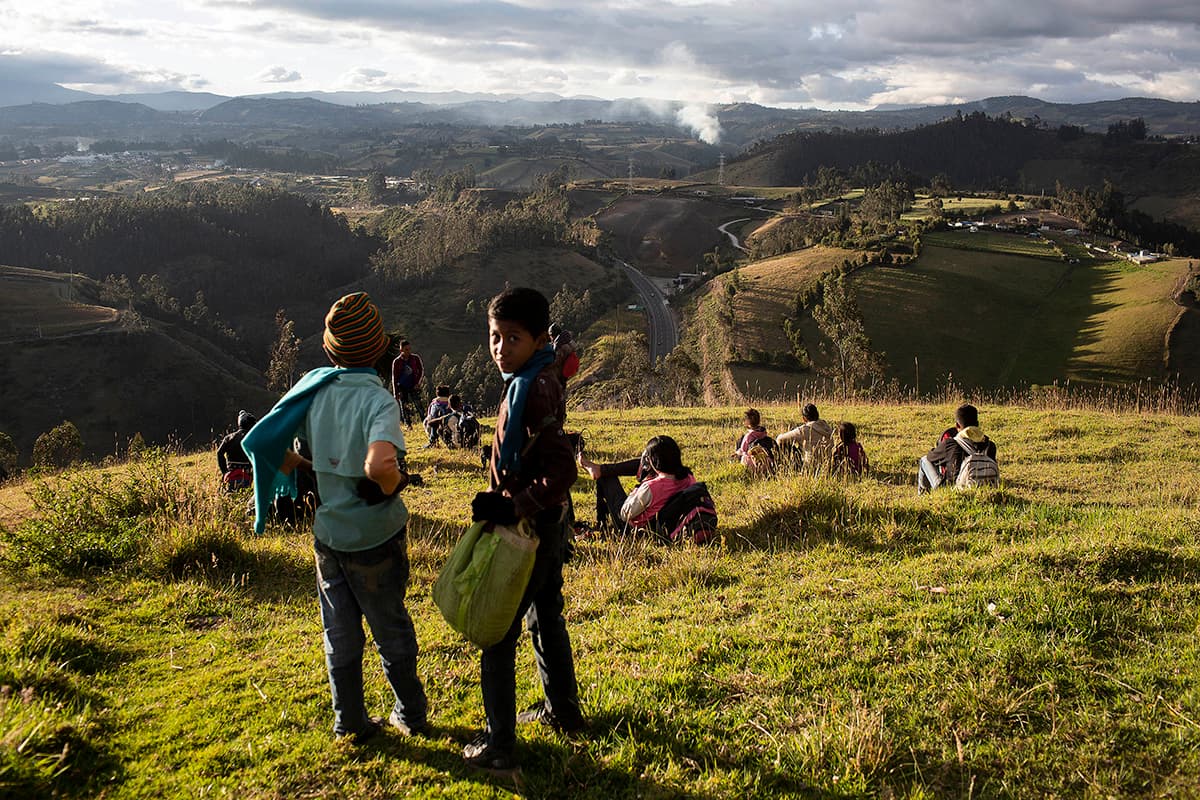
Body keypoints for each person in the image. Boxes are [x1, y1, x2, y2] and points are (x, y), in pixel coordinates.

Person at [242, 292, 427, 742]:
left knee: (339, 631)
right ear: (380, 348)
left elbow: (266, 444)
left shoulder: (315, 390)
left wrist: (307, 468)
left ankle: (349, 721)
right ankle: (410, 712)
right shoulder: (379, 400)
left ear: (331, 349)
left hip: (328, 536)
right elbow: (380, 465)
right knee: (390, 626)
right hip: (375, 535)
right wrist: (393, 483)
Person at [464, 287, 585, 772]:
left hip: (531, 527)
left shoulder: (533, 389)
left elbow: (562, 472)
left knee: (498, 631)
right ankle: (563, 711)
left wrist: (511, 506)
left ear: (538, 340)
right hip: (548, 525)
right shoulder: (537, 375)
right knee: (545, 615)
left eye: (512, 338)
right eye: (495, 337)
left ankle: (499, 744)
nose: (500, 349)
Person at [917, 403, 997, 493]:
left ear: (957, 426)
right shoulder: (990, 445)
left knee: (924, 460)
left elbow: (930, 457)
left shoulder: (951, 443)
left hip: (953, 491)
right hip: (984, 491)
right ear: (977, 424)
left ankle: (924, 497)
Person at [775, 403, 833, 471]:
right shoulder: (827, 427)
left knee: (783, 444)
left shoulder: (804, 429)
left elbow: (779, 439)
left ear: (804, 418)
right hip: (827, 466)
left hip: (809, 467)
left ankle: (784, 469)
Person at [216, 410, 256, 491]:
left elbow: (219, 453)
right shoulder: (253, 438)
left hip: (230, 475)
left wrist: (225, 472)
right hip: (247, 476)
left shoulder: (229, 438)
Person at [391, 339, 424, 428]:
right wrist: (396, 392)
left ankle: (425, 422)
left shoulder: (415, 358)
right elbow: (394, 377)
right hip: (402, 386)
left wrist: (418, 382)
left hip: (414, 385)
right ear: (401, 350)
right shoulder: (397, 361)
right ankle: (408, 425)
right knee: (405, 407)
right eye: (406, 349)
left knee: (419, 405)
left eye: (409, 349)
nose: (408, 351)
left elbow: (421, 370)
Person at [732, 408, 773, 474]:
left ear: (747, 422)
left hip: (754, 463)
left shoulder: (748, 436)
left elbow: (743, 450)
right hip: (767, 462)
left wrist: (736, 453)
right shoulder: (763, 432)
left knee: (742, 457)